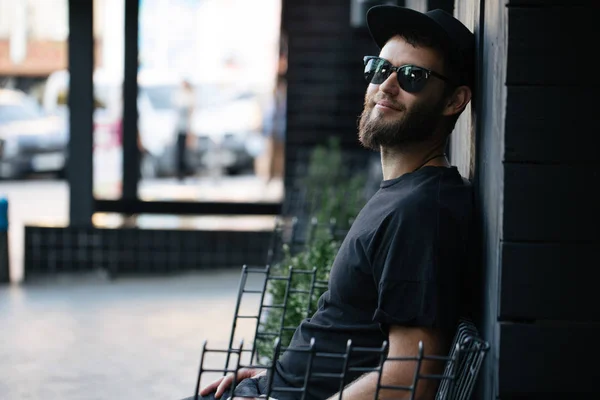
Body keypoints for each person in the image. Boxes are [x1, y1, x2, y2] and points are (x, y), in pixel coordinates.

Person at [181, 5, 476, 400]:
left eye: (412, 77)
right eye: (380, 68)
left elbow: (409, 379)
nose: (386, 85)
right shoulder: (403, 194)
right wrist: (278, 377)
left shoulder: (421, 210)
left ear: (453, 100)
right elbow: (353, 335)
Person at [173, 79, 195, 181]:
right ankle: (180, 174)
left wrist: (189, 130)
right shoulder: (180, 97)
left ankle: (183, 173)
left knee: (184, 152)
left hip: (185, 129)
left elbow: (190, 115)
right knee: (179, 152)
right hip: (180, 129)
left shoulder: (189, 98)